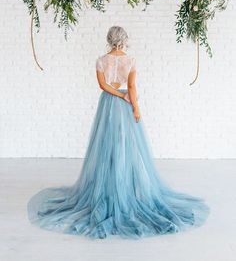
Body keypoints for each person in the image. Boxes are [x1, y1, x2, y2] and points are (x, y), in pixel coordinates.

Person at [27, 26, 210, 239]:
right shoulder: (130, 60)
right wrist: (134, 106)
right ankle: (125, 187)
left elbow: (103, 85)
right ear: (124, 40)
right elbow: (131, 86)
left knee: (106, 144)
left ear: (108, 39)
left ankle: (107, 186)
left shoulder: (101, 60)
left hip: (107, 105)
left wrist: (117, 95)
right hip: (124, 104)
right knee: (126, 145)